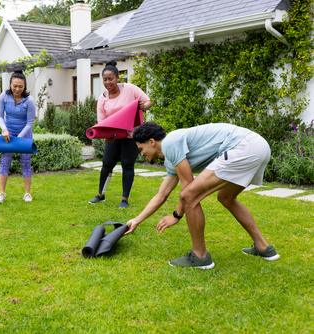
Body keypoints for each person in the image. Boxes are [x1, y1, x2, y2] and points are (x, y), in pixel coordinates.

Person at [124, 122, 280, 269]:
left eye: (141, 148)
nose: (142, 154)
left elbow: (187, 185)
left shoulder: (169, 143)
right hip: (258, 146)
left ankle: (200, 256)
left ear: (152, 142)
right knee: (226, 197)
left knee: (189, 196)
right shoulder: (172, 158)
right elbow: (161, 195)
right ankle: (263, 247)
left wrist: (176, 216)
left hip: (243, 147)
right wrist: (136, 220)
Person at [88, 60, 152, 209]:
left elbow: (147, 102)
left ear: (118, 78)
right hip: (114, 136)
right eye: (105, 79)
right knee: (107, 164)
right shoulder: (102, 98)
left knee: (127, 165)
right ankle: (101, 195)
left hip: (132, 135)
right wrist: (106, 138)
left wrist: (144, 106)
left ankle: (125, 199)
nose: (107, 82)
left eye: (111, 78)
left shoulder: (130, 89)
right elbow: (102, 122)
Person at [0, 70, 36, 203]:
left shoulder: (29, 100)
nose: (17, 89)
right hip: (8, 133)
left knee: (25, 162)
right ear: (10, 84)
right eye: (14, 86)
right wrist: (4, 129)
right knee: (5, 161)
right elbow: (0, 116)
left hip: (24, 134)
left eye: (20, 86)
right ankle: (1, 194)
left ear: (25, 86)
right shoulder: (3, 97)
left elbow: (30, 122)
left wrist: (19, 138)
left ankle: (27, 194)